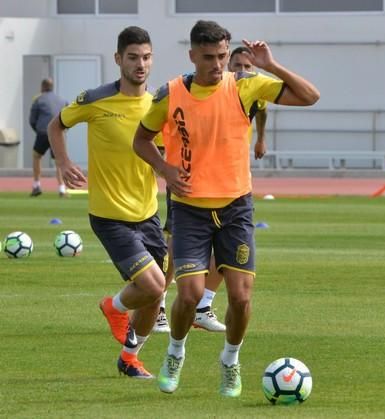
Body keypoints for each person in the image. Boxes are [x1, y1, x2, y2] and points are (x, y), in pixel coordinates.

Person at [133, 20, 319, 397]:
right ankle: (175, 352)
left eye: (222, 56)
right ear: (192, 56)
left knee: (241, 297)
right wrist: (164, 168)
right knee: (187, 295)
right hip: (189, 209)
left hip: (236, 207)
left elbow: (310, 96)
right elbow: (141, 140)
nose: (217, 65)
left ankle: (230, 361)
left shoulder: (246, 85)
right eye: (208, 58)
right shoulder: (170, 93)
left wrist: (272, 65)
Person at [47, 26, 167, 379]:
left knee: (154, 296)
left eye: (146, 57)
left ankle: (129, 358)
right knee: (153, 285)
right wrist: (63, 162)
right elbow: (56, 125)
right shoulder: (95, 99)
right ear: (119, 60)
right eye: (133, 57)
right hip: (110, 215)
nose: (140, 64)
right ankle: (112, 307)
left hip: (148, 211)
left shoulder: (159, 103)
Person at [152, 45, 272, 335]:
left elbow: (263, 113)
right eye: (237, 65)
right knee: (174, 245)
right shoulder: (190, 93)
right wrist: (167, 167)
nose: (242, 70)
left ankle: (203, 305)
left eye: (247, 65)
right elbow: (154, 135)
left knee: (225, 251)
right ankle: (158, 303)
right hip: (190, 186)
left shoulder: (251, 91)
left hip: (228, 189)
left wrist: (260, 140)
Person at [28, 78, 68, 197]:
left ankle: (36, 185)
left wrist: (38, 130)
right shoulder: (62, 100)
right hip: (59, 133)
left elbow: (32, 120)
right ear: (52, 87)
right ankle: (61, 189)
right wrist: (64, 131)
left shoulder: (38, 100)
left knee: (37, 156)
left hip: (43, 133)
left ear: (42, 87)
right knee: (59, 161)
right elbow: (68, 117)